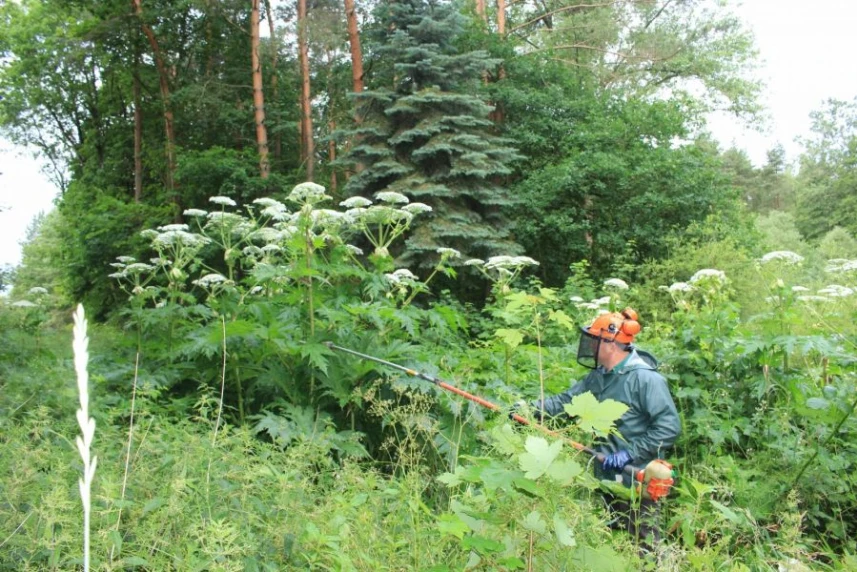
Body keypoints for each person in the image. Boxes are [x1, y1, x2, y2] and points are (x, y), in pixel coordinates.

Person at [518, 307, 680, 552]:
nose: (591, 346)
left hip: (637, 478)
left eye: (595, 340)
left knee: (645, 545)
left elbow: (668, 427)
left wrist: (629, 454)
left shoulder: (646, 380)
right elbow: (565, 402)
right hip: (606, 475)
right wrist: (527, 409)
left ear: (610, 344)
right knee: (612, 542)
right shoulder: (599, 376)